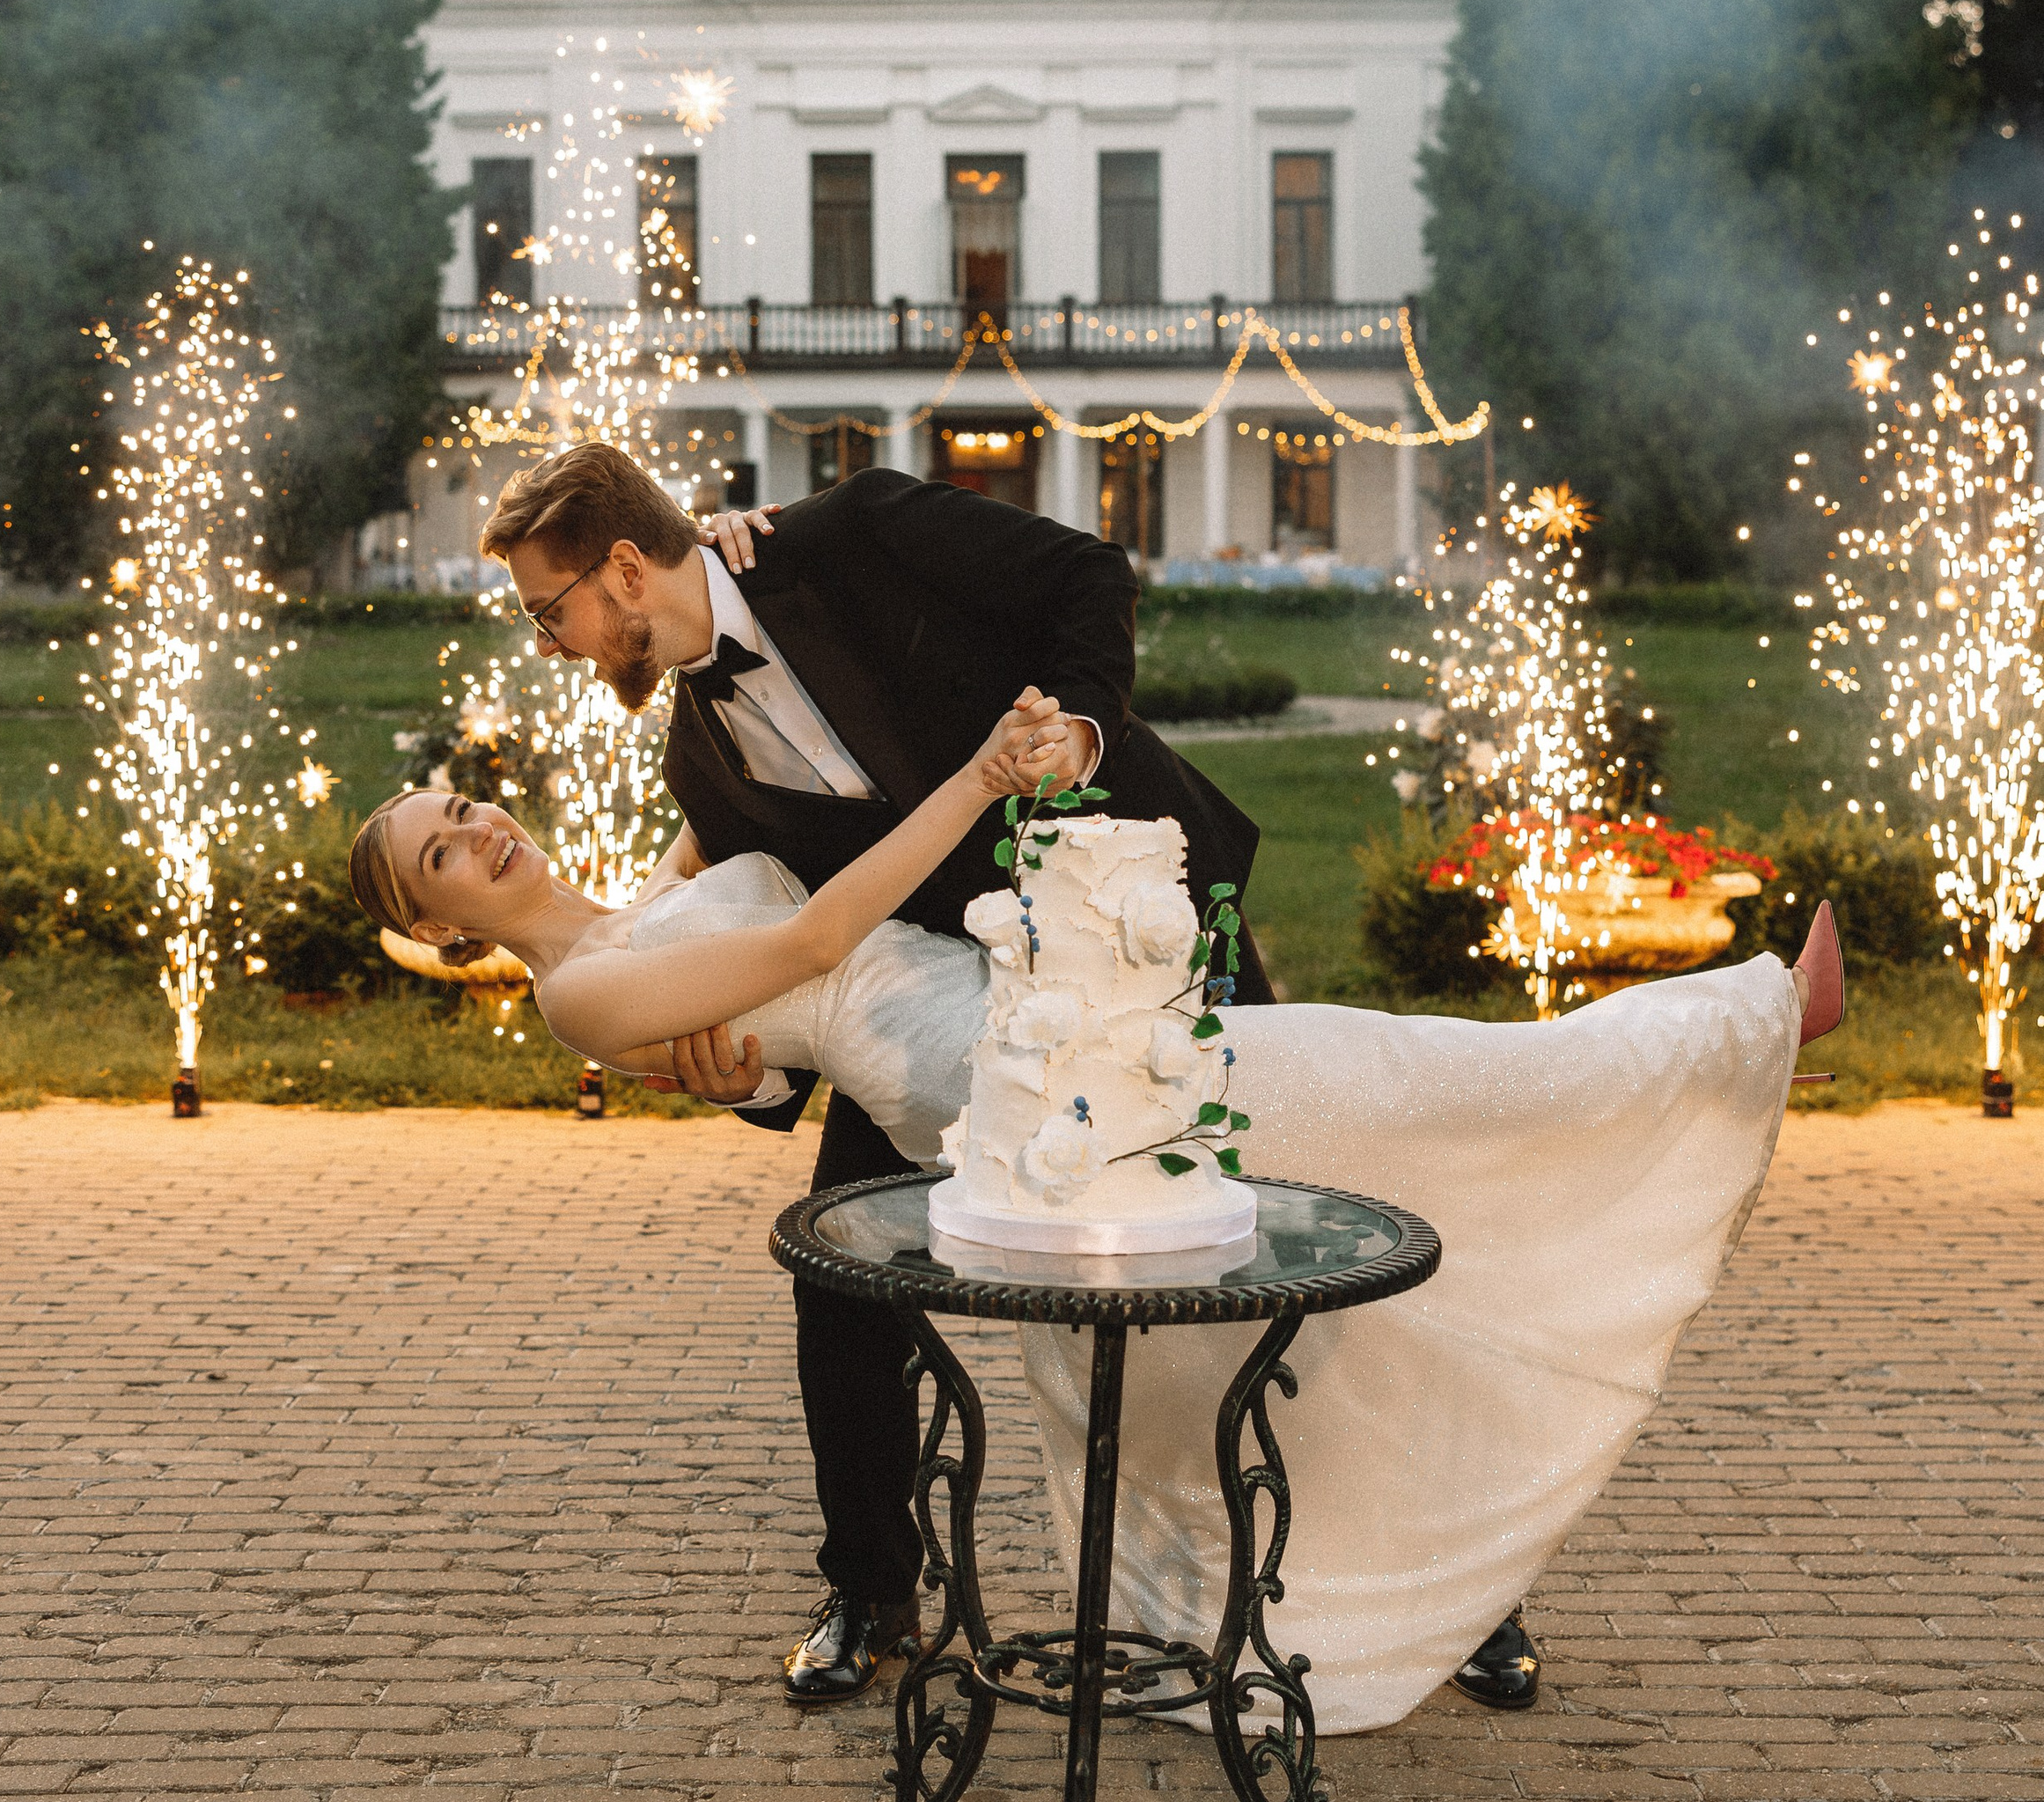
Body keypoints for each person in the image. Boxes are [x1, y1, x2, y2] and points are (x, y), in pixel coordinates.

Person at [348, 691, 1843, 1739]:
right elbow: (813, 936)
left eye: (465, 806)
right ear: (431, 928)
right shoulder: (582, 991)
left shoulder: (655, 886)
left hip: (1064, 1014)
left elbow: (759, 832)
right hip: (1014, 1083)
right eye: (440, 852)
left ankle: (1713, 1057)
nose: (478, 831)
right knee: (1392, 1080)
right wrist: (985, 787)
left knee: (1360, 1170)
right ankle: (1742, 1029)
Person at [416, 441, 1275, 1707]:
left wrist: (1083, 729)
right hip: (950, 1023)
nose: (551, 642)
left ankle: (1433, 1586)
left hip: (1131, 923)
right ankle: (872, 1592)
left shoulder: (855, 531)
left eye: (554, 610)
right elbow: (791, 959)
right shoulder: (698, 764)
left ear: (622, 569)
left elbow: (1089, 574)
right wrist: (737, 1081)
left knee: (1284, 1217)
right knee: (835, 1283)